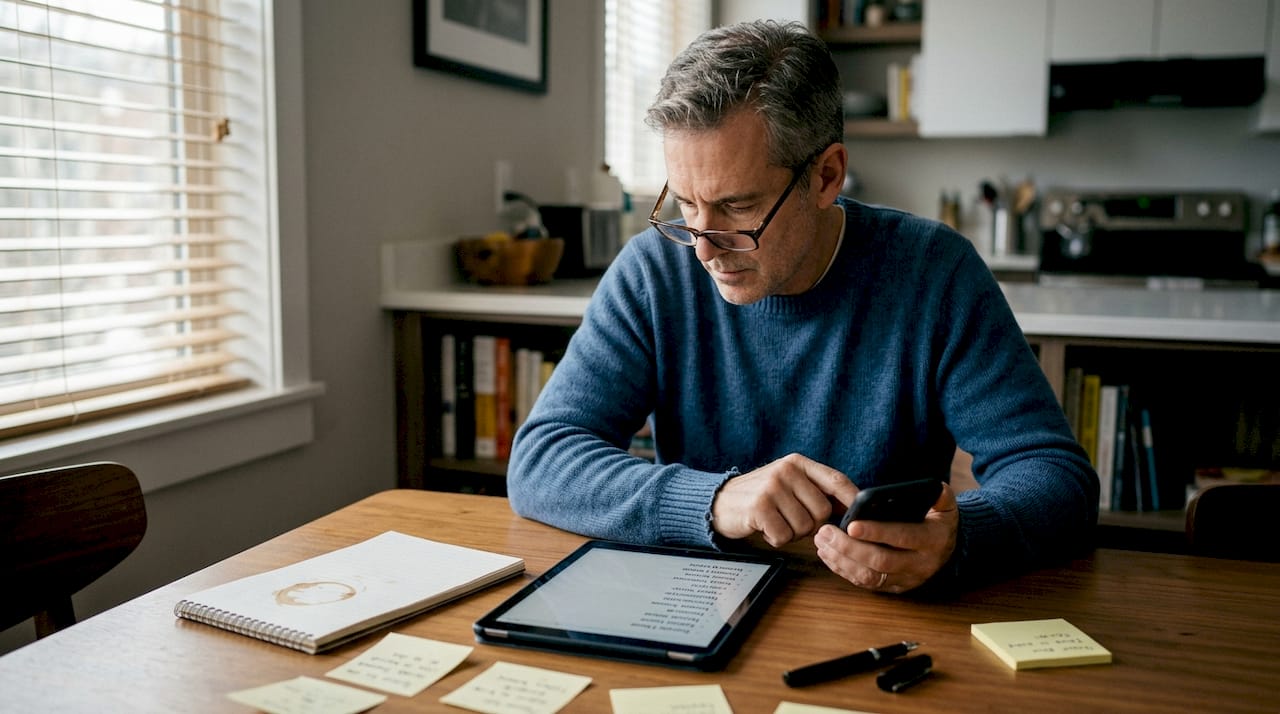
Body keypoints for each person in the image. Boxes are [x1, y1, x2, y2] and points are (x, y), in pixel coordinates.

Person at [508, 19, 1097, 594]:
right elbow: (541, 459)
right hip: (697, 600)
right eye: (685, 203)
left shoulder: (933, 272)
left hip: (880, 615)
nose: (704, 248)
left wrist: (961, 539)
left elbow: (1057, 478)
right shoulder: (653, 270)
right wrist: (714, 500)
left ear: (827, 176)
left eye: (738, 206)